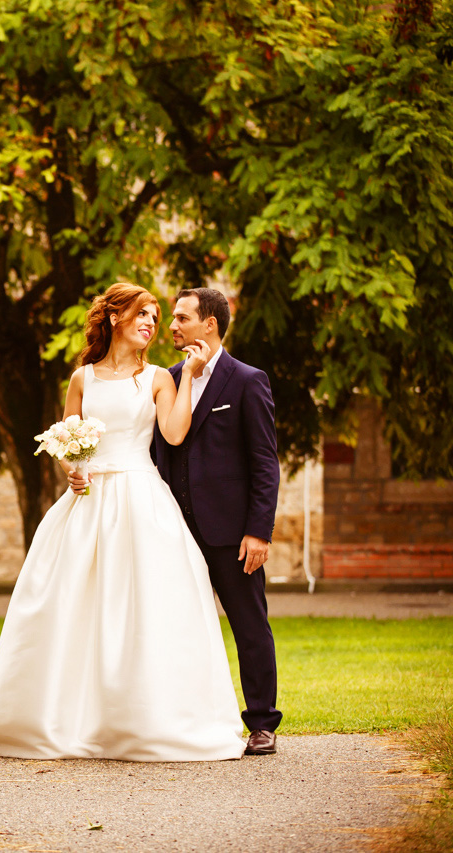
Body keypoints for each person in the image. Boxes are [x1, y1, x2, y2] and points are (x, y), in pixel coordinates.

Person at [0, 282, 246, 762]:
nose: (152, 324)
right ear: (115, 317)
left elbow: (175, 435)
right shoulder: (82, 379)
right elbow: (68, 441)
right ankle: (63, 716)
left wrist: (193, 373)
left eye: (157, 318)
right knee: (69, 606)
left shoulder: (160, 378)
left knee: (146, 607)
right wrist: (73, 471)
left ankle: (142, 717)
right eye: (143, 314)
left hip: (141, 500)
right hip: (88, 504)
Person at [150, 288, 281, 756]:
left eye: (182, 318)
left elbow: (265, 462)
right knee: (174, 627)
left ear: (211, 323)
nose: (172, 327)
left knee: (249, 626)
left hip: (232, 534)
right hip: (172, 531)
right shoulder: (164, 380)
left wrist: (258, 530)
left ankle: (262, 723)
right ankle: (183, 723)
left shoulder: (247, 380)